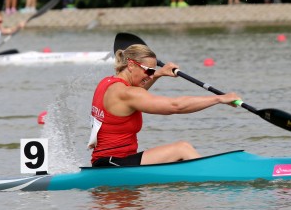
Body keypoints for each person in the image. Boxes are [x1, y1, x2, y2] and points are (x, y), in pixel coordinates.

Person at [87, 44, 242, 167]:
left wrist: (158, 74)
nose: (149, 76)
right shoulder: (127, 93)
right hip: (113, 165)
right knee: (182, 148)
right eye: (148, 71)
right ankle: (213, 178)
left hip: (108, 161)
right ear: (131, 64)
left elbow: (136, 94)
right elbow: (176, 106)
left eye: (152, 71)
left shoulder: (107, 83)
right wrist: (219, 99)